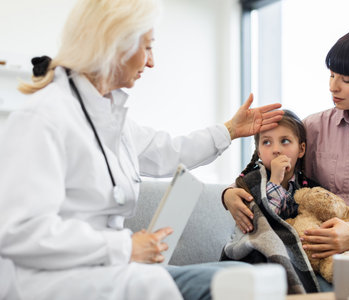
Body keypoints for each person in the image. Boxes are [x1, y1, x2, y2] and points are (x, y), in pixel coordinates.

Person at [0, 0, 285, 300]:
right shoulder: (43, 118)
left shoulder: (108, 117)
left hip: (106, 267)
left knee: (247, 279)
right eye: (147, 47)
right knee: (211, 286)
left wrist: (229, 130)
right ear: (116, 45)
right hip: (52, 281)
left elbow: (170, 152)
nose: (151, 62)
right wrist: (125, 247)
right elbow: (19, 231)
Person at [223, 28, 349, 288]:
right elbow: (270, 170)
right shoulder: (313, 127)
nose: (333, 86)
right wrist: (229, 193)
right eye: (332, 75)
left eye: (347, 79)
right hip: (319, 250)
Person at [226, 109, 317, 231]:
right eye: (267, 142)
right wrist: (275, 181)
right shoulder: (249, 183)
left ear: (301, 149)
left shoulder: (309, 188)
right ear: (259, 152)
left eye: (285, 141)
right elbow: (263, 227)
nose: (276, 149)